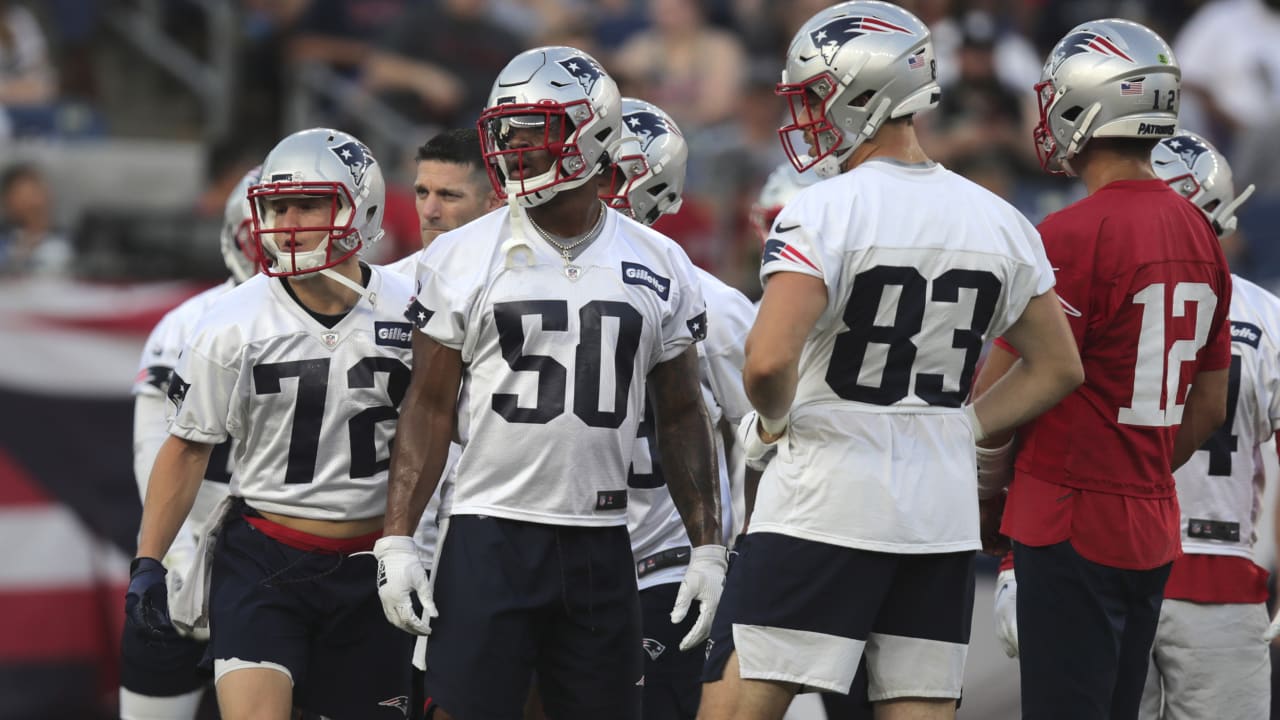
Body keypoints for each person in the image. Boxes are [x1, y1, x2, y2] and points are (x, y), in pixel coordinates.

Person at [696, 3, 1085, 720]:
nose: (808, 113)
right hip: (936, 511)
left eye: (815, 93)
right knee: (916, 706)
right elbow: (1058, 366)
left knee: (734, 708)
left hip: (822, 498)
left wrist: (771, 426)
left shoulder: (824, 209)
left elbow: (767, 364)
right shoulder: (999, 217)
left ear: (863, 93)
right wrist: (962, 429)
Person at [374, 46, 725, 720]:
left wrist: (708, 544)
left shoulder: (659, 260)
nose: (516, 150)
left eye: (536, 131)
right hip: (488, 532)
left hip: (602, 538)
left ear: (592, 134)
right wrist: (398, 537)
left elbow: (682, 412)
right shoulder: (459, 255)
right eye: (507, 132)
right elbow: (428, 403)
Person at [972, 19, 1234, 720]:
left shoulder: (1068, 233)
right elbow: (1208, 404)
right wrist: (1137, 465)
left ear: (1089, 104)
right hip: (1150, 520)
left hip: (1067, 518)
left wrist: (985, 500)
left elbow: (996, 393)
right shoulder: (1199, 234)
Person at [126, 128, 418, 720]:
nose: (286, 222)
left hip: (374, 562)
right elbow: (185, 449)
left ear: (357, 207)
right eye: (276, 206)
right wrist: (150, 561)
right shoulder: (229, 322)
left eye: (307, 204)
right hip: (264, 557)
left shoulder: (413, 307)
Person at [603, 96, 756, 720]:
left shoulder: (712, 305)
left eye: (601, 171)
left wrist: (736, 552)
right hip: (558, 556)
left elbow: (764, 436)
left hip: (664, 564)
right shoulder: (520, 283)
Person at [119, 166, 261, 719]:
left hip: (286, 560)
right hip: (193, 545)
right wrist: (175, 554)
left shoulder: (354, 318)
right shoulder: (191, 324)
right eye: (265, 219)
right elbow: (154, 447)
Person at [385, 128, 501, 276]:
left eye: (448, 195)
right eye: (422, 192)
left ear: (493, 202)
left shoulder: (527, 284)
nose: (428, 211)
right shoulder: (389, 287)